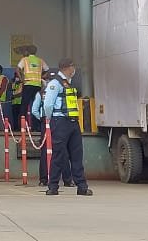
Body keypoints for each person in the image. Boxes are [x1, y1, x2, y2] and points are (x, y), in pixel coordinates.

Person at [42, 59, 92, 196]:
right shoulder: (55, 83)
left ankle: (82, 186)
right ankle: (53, 186)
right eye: (73, 67)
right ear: (68, 68)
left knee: (77, 155)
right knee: (58, 154)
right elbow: (47, 104)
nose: (74, 70)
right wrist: (50, 118)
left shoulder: (68, 84)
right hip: (60, 121)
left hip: (73, 122)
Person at [32, 70, 72, 187]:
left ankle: (44, 179)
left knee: (48, 151)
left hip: (47, 121)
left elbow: (35, 110)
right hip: (59, 120)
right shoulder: (61, 88)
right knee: (62, 150)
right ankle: (67, 180)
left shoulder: (41, 93)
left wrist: (43, 118)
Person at [16, 45, 47, 129]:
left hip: (28, 84)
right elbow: (47, 70)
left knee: (24, 106)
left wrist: (22, 79)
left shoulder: (25, 60)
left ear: (28, 51)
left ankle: (21, 127)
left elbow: (17, 69)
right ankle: (37, 126)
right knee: (36, 106)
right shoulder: (40, 61)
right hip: (38, 86)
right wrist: (41, 77)